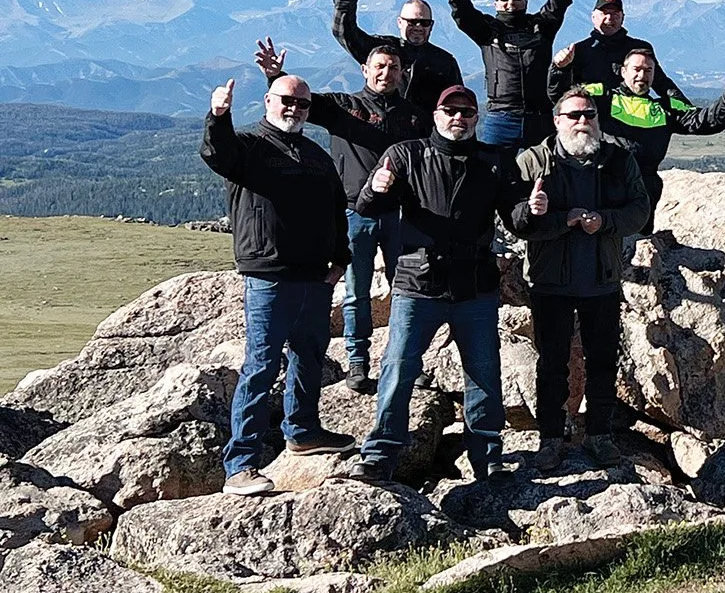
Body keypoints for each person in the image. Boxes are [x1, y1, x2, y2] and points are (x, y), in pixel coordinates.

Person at [347, 85, 526, 485]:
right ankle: (379, 455)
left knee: (483, 373)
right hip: (417, 283)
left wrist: (531, 209)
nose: (458, 117)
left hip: (474, 285)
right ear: (436, 114)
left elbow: (517, 221)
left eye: (466, 111)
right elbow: (365, 207)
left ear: (477, 118)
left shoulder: (493, 162)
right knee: (398, 368)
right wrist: (376, 189)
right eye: (450, 110)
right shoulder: (405, 155)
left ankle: (488, 458)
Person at [200, 73, 354, 497]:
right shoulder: (249, 147)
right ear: (268, 101)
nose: (295, 109)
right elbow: (216, 153)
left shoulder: (315, 155)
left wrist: (340, 259)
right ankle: (241, 465)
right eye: (287, 100)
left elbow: (336, 210)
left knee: (309, 355)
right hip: (267, 273)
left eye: (303, 104)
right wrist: (218, 115)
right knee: (262, 364)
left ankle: (302, 432)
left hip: (314, 274)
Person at [251, 37, 426, 395]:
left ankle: (407, 362)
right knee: (356, 294)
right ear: (364, 70)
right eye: (379, 66)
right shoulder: (344, 107)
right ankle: (358, 363)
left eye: (393, 67)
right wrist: (275, 75)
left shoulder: (415, 117)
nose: (386, 73)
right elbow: (300, 104)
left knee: (407, 293)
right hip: (353, 214)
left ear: (402, 73)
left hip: (401, 215)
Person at [510, 88, 653, 471]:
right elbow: (516, 221)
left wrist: (604, 222)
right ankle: (551, 438)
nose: (582, 121)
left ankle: (600, 436)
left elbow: (640, 211)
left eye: (588, 114)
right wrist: (545, 214)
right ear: (557, 121)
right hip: (550, 281)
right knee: (552, 363)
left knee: (604, 360)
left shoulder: (619, 159)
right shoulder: (532, 162)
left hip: (602, 279)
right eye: (572, 115)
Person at [555, 46, 725, 205]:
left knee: (643, 241)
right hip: (604, 184)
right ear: (623, 71)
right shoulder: (603, 98)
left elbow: (704, 122)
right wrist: (560, 69)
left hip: (646, 189)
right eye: (636, 69)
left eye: (648, 71)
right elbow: (563, 98)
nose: (642, 75)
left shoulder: (666, 107)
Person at [442, 0, 573, 149]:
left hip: (540, 116)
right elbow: (463, 12)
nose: (510, 2)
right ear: (495, 4)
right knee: (493, 174)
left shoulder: (542, 27)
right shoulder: (487, 31)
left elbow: (559, 3)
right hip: (501, 117)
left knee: (547, 173)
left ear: (525, 2)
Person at [332, 0, 464, 113]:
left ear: (432, 26)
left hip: (425, 134)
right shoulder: (381, 49)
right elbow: (344, 32)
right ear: (399, 22)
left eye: (424, 22)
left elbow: (458, 104)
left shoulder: (444, 62)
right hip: (380, 128)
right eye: (412, 21)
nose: (418, 27)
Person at [551, 0, 687, 109]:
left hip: (633, 121)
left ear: (623, 18)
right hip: (594, 122)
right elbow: (559, 95)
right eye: (604, 13)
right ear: (593, 17)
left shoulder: (639, 49)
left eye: (615, 14)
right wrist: (558, 69)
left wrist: (685, 107)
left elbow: (661, 83)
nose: (609, 19)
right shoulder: (578, 51)